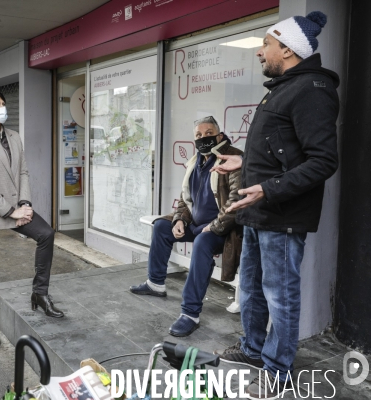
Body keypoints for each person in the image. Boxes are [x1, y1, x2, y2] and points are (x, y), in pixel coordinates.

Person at [211, 12, 339, 399]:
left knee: (280, 294)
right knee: (250, 288)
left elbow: (323, 161)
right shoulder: (284, 86)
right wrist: (242, 163)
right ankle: (252, 349)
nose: (259, 52)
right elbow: (279, 149)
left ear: (286, 48)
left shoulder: (312, 89)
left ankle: (279, 371)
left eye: (265, 44)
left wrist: (267, 188)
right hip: (258, 212)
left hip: (282, 215)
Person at [0, 88, 64, 349]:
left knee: (46, 234)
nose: (2, 107)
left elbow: (23, 173)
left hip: (18, 206)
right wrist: (10, 211)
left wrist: (25, 204)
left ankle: (40, 294)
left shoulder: (15, 137)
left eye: (3, 103)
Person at [129, 116, 243, 337]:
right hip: (198, 224)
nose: (203, 138)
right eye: (198, 135)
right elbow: (185, 198)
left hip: (223, 229)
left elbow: (236, 201)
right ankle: (155, 284)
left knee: (202, 242)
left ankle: (190, 313)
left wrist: (216, 225)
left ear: (219, 135)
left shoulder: (233, 158)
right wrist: (180, 219)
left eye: (208, 133)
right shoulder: (196, 161)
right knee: (162, 226)